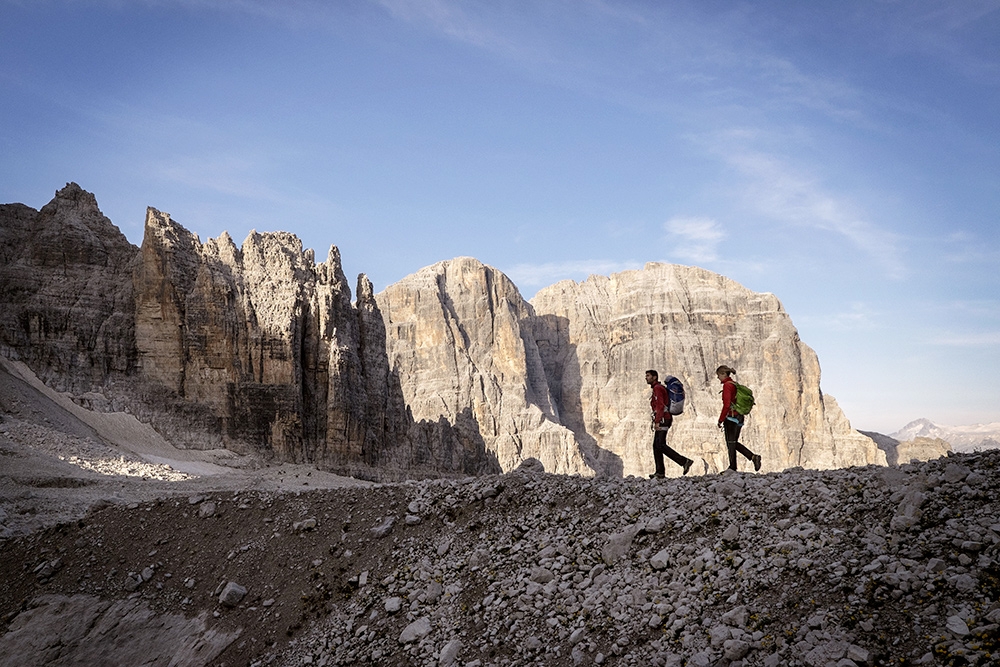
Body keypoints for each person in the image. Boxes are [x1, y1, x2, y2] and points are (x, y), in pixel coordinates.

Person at [646, 370, 693, 478]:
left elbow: (660, 406)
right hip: (663, 418)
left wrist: (657, 421)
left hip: (663, 418)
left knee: (660, 445)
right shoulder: (658, 388)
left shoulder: (658, 389)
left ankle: (684, 461)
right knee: (656, 445)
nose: (646, 378)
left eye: (648, 376)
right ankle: (660, 472)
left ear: (654, 377)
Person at [716, 365, 762, 472]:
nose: (718, 378)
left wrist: (721, 419)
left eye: (718, 375)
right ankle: (752, 457)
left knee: (730, 443)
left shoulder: (727, 386)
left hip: (731, 417)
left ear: (723, 374)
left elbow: (727, 404)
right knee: (734, 442)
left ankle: (733, 467)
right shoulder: (734, 384)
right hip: (739, 416)